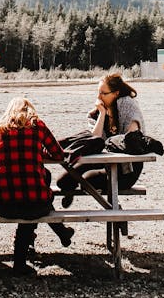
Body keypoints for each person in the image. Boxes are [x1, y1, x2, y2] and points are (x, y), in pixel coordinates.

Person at [0, 96, 74, 277]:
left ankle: (56, 237)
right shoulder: (38, 126)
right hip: (35, 204)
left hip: (3, 204)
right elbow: (58, 154)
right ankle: (56, 235)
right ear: (31, 111)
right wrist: (39, 151)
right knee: (34, 195)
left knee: (33, 191)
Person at [58, 73, 147, 207]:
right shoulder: (95, 114)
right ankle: (70, 191)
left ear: (116, 93)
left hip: (127, 169)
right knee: (63, 181)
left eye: (103, 93)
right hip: (102, 159)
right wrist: (102, 114)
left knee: (88, 181)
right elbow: (93, 140)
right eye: (98, 93)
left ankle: (114, 208)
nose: (99, 97)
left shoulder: (128, 105)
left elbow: (131, 137)